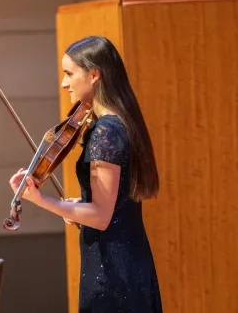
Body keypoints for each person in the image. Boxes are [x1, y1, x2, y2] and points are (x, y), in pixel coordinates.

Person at [9, 35, 162, 312]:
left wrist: (41, 200)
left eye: (69, 74)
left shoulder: (106, 131)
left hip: (113, 271)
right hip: (123, 262)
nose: (64, 83)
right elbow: (115, 205)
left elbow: (101, 217)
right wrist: (76, 206)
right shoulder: (116, 124)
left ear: (93, 74)